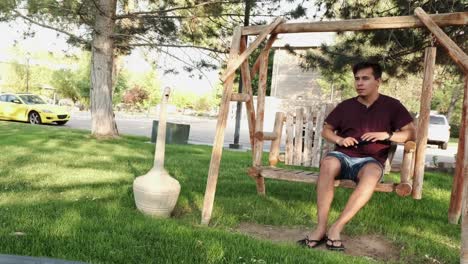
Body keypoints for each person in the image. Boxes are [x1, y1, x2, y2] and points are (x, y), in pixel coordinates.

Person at [297, 61, 416, 251]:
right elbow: (326, 130)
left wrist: (386, 135)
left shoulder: (392, 106)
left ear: (378, 81)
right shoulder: (346, 106)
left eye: (365, 78)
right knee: (327, 163)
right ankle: (320, 228)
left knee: (370, 175)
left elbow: (410, 133)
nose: (359, 83)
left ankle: (336, 227)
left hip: (372, 160)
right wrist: (340, 139)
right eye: (357, 79)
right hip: (343, 156)